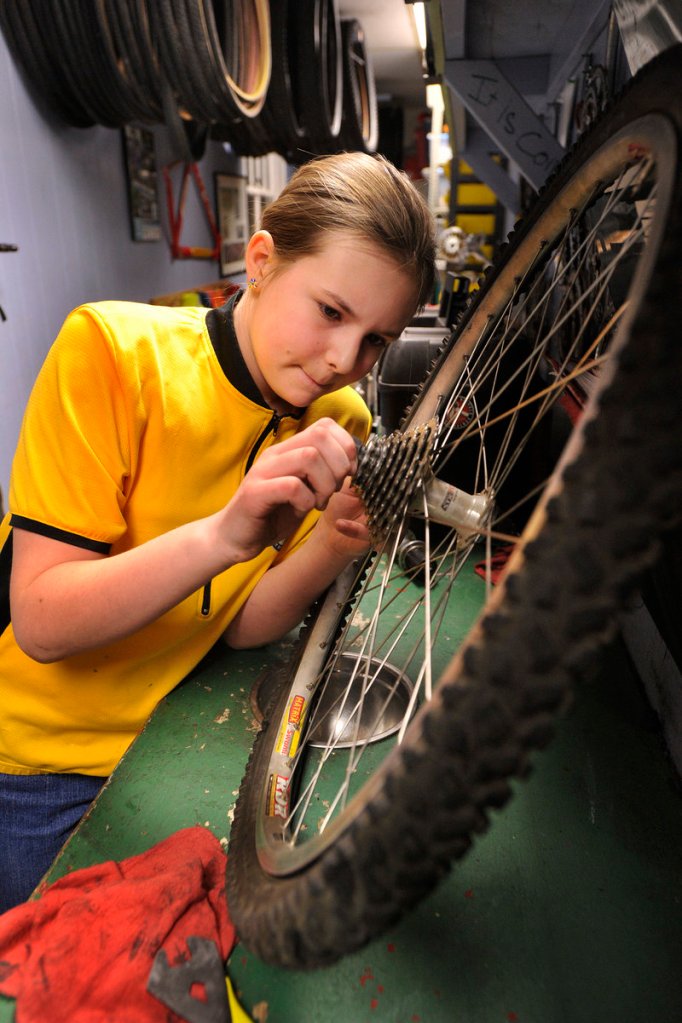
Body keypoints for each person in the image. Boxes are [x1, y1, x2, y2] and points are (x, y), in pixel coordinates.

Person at [0, 151, 436, 913]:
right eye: (331, 311)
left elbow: (242, 625)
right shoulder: (111, 353)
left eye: (376, 339)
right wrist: (224, 536)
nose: (344, 359)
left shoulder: (341, 419)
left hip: (173, 729)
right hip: (43, 765)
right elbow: (39, 619)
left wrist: (335, 538)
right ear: (261, 260)